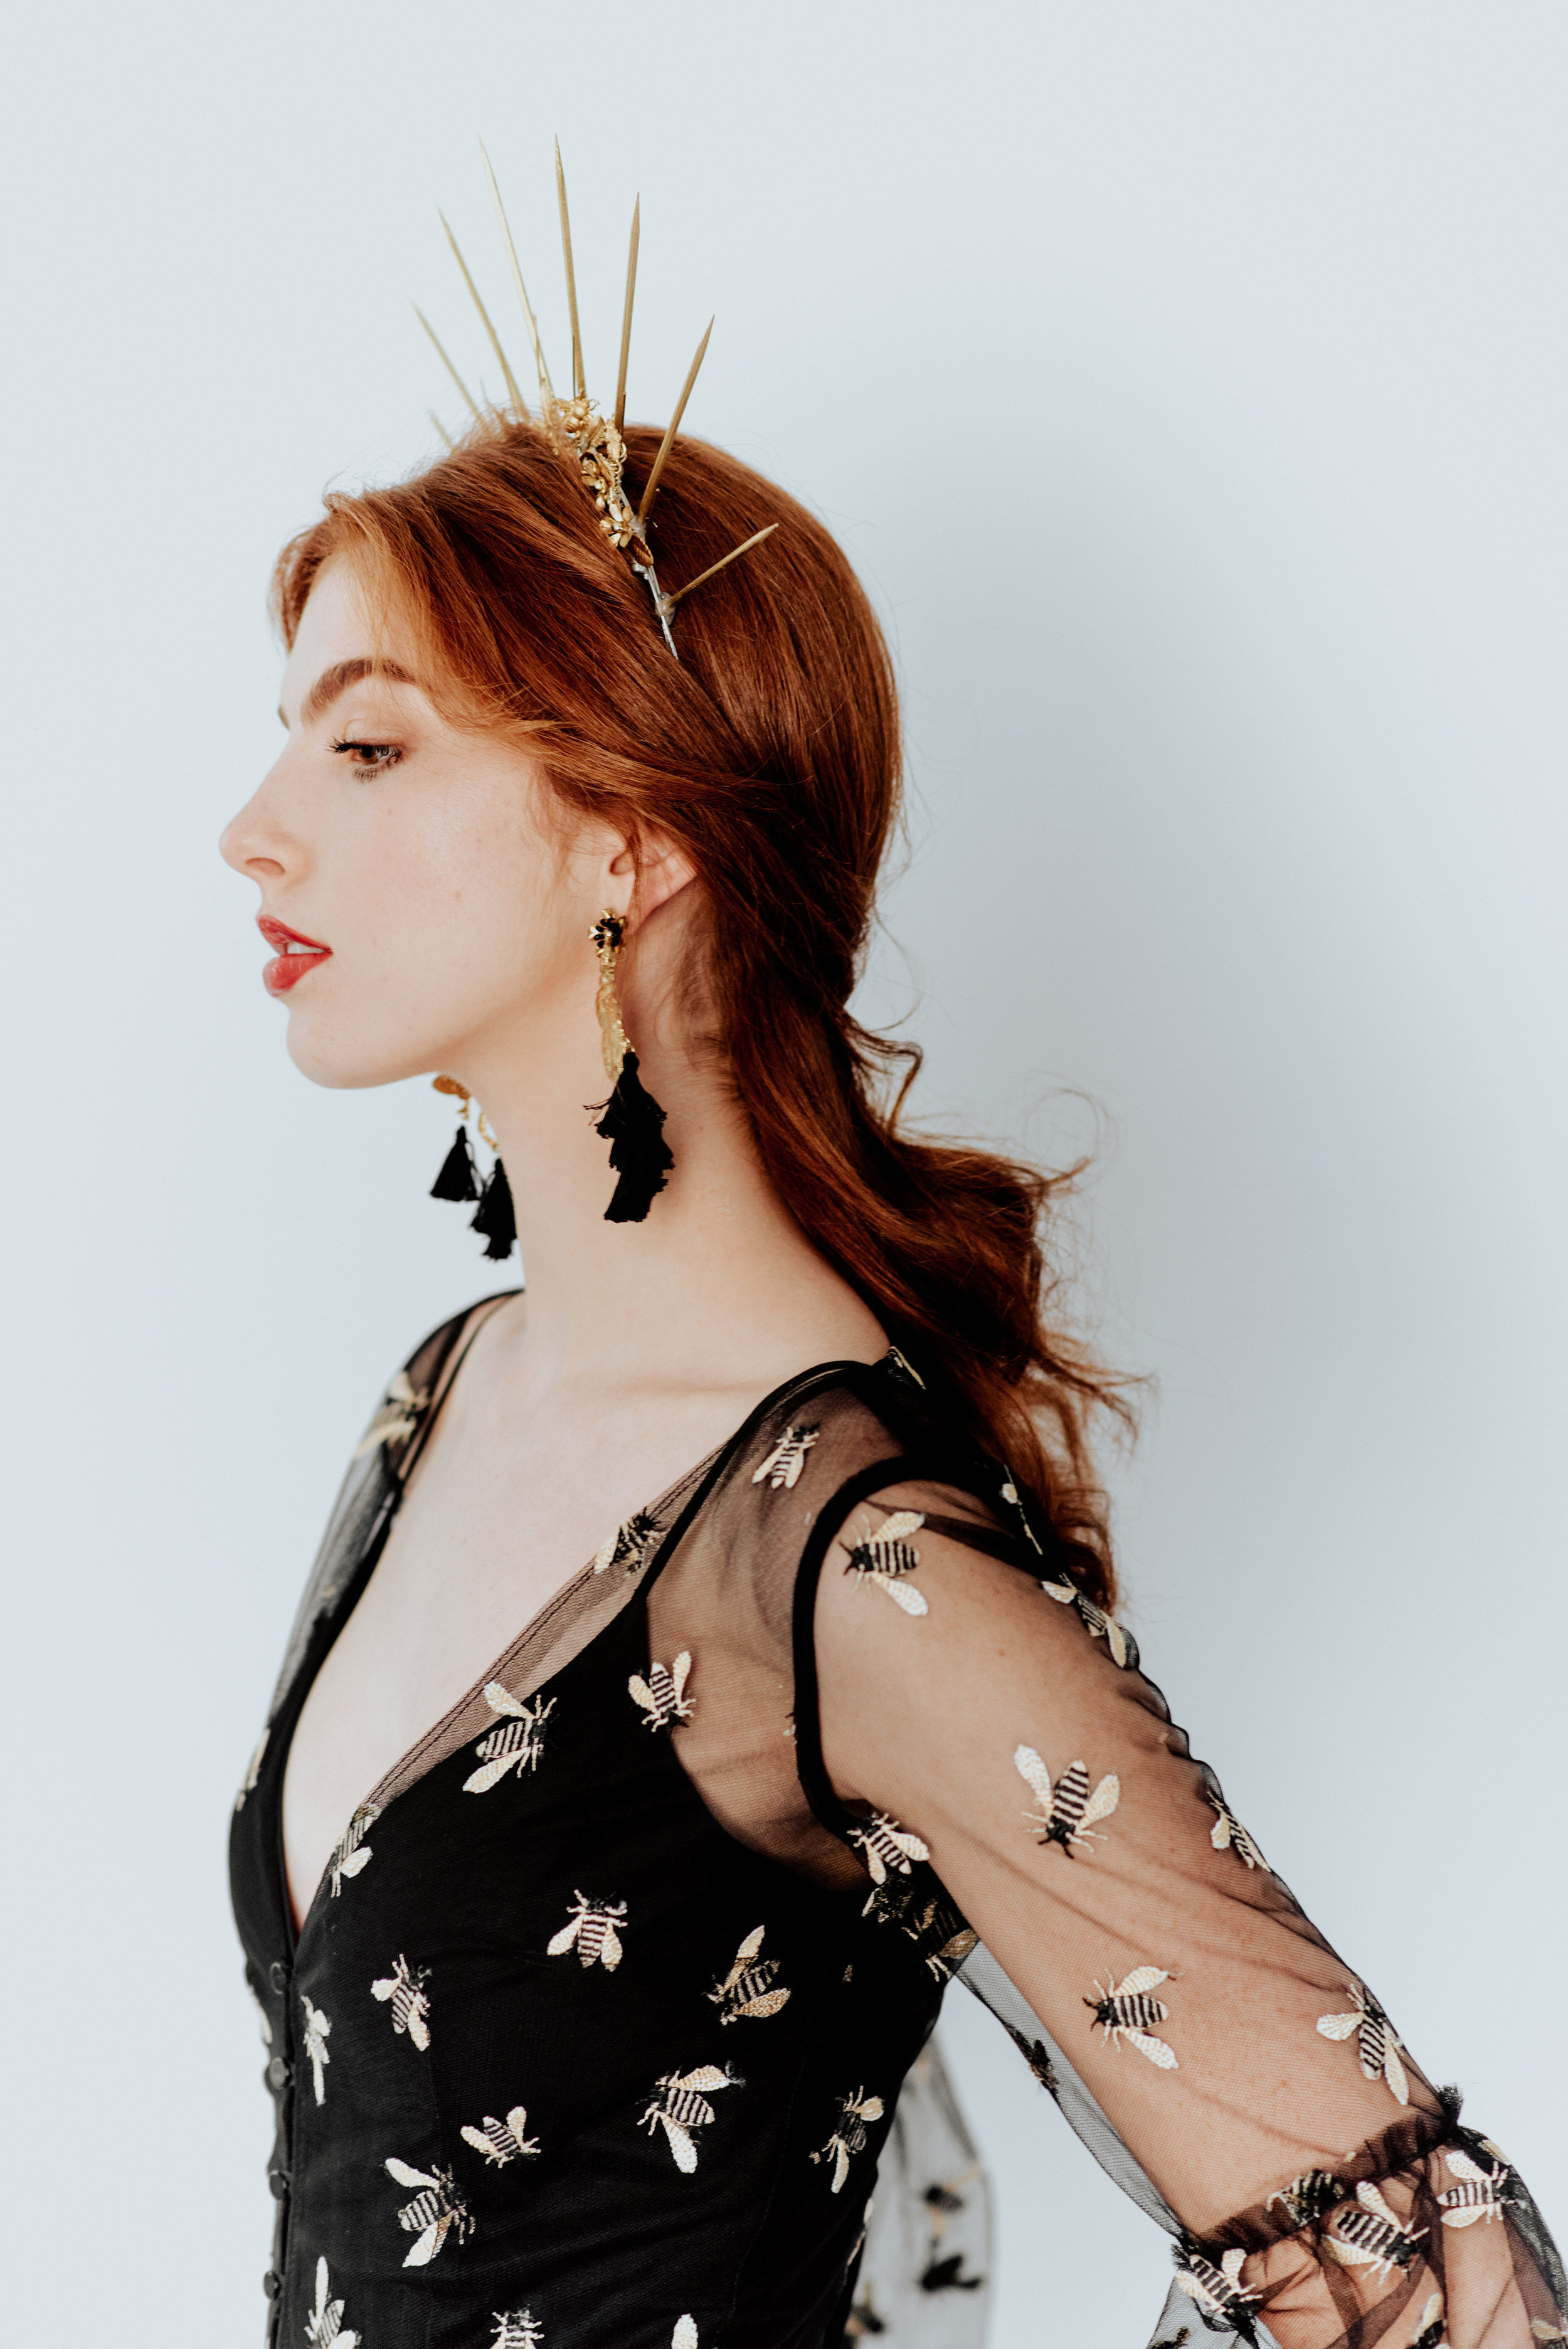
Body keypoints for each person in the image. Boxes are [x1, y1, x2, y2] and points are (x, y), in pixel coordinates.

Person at [221, 182, 1564, 2349]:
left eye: (366, 743)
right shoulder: (445, 1394)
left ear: (636, 836)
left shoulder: (856, 1564)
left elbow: (1442, 2287)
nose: (256, 824)